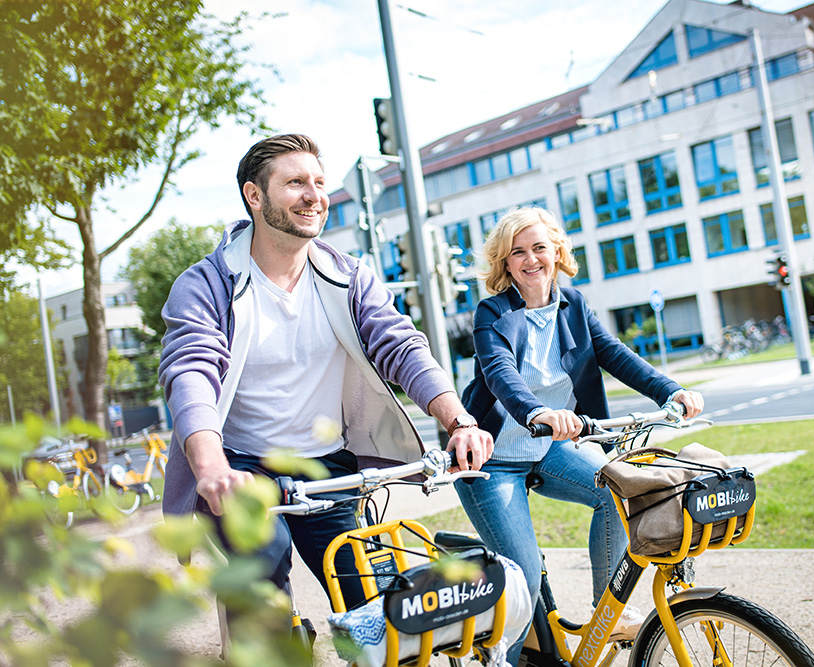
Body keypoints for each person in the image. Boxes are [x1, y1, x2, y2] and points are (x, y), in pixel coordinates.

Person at [158, 133, 493, 611]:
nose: (315, 196)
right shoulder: (207, 284)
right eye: (295, 182)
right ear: (255, 196)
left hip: (326, 469)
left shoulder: (348, 275)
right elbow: (192, 371)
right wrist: (212, 470)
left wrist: (459, 421)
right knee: (266, 595)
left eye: (319, 182)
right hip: (242, 470)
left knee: (378, 611)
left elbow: (400, 345)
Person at [457, 207, 704, 661]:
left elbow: (615, 354)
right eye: (518, 253)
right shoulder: (492, 313)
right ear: (505, 264)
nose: (531, 260)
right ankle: (500, 660)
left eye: (539, 248)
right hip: (492, 461)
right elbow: (499, 374)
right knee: (523, 582)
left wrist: (671, 390)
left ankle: (606, 615)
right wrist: (540, 412)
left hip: (548, 449)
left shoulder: (574, 304)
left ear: (557, 252)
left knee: (617, 491)